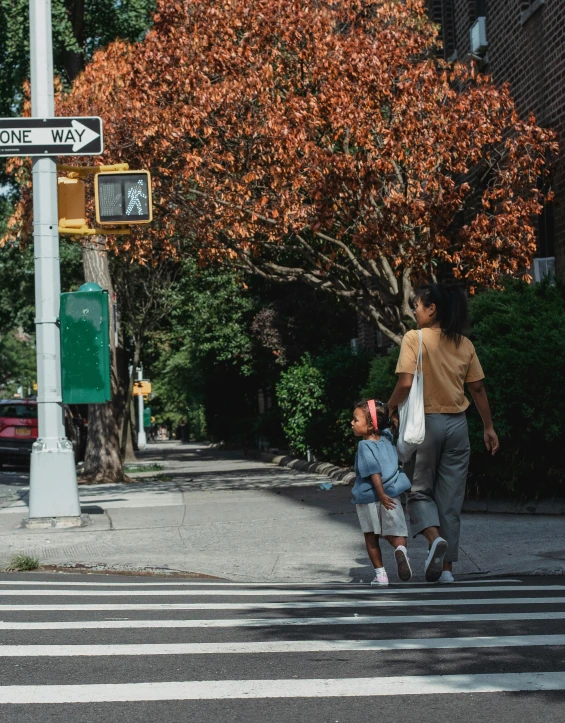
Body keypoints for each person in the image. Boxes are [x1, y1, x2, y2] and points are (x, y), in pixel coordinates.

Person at [387, 283, 499, 584]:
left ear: (431, 308)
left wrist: (390, 405)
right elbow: (477, 388)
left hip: (427, 425)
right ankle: (447, 571)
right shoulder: (464, 344)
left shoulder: (415, 338)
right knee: (451, 500)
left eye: (417, 306)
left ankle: (435, 540)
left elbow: (406, 382)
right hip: (458, 426)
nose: (414, 310)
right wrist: (488, 426)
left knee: (419, 491)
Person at [351, 399, 412, 586]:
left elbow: (373, 471)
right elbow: (390, 422)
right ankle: (400, 549)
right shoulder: (387, 439)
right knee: (396, 532)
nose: (352, 423)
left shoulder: (364, 446)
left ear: (370, 425)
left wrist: (381, 494)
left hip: (371, 496)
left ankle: (381, 575)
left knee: (371, 537)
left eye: (355, 420)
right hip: (392, 495)